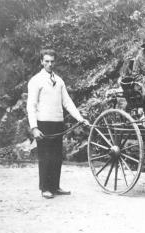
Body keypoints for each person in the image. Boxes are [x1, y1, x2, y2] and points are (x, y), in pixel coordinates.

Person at [26, 49, 89, 199]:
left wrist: (80, 118)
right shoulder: (36, 80)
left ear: (55, 62)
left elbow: (67, 102)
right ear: (41, 61)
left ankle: (55, 186)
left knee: (56, 156)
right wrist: (34, 127)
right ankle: (45, 188)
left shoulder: (59, 81)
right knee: (45, 156)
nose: (50, 64)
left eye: (52, 61)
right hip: (43, 123)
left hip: (57, 122)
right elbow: (31, 105)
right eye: (46, 61)